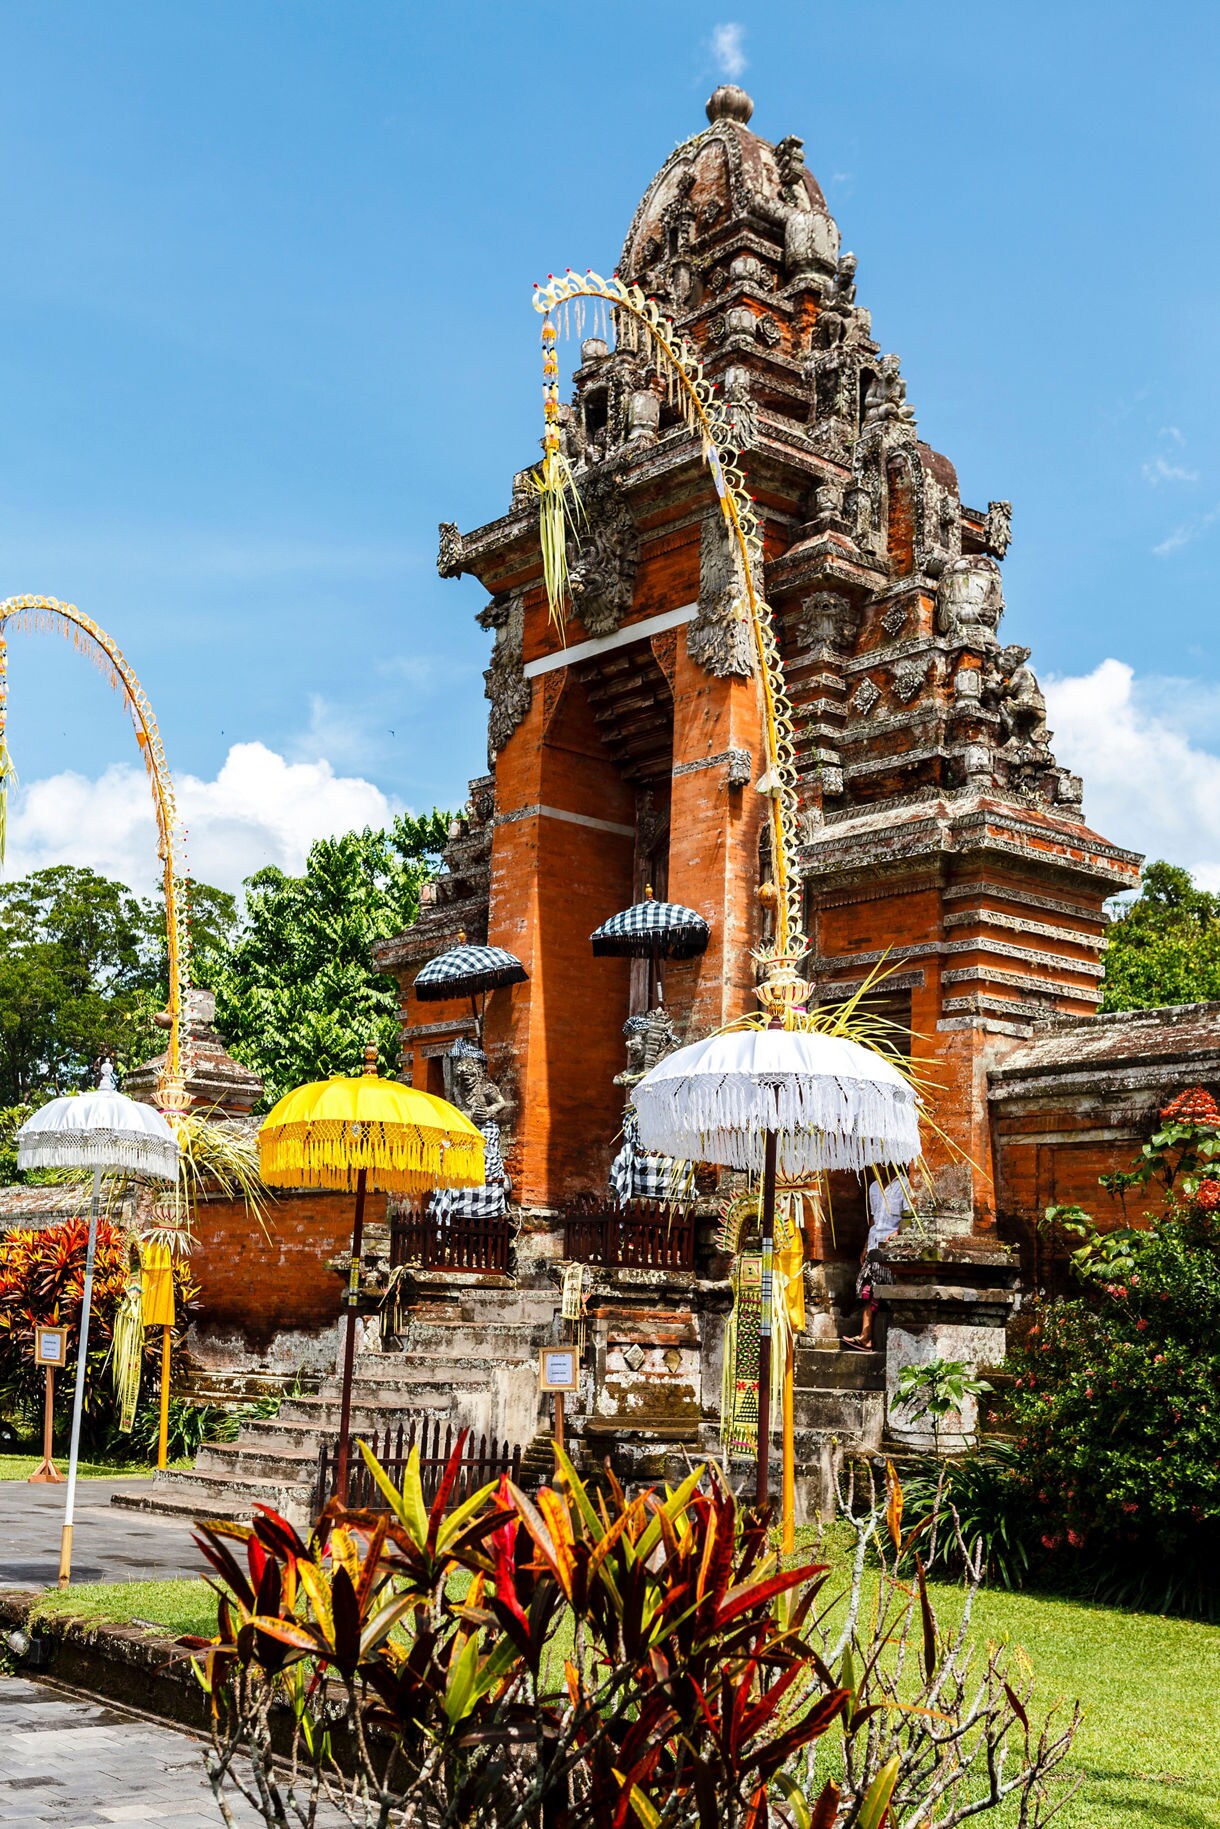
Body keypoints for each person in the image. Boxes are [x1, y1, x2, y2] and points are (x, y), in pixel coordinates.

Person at [842, 1175, 911, 1351]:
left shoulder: (904, 1183)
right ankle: (866, 1336)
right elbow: (874, 1219)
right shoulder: (874, 1186)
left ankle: (870, 1336)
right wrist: (866, 1244)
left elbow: (910, 1215)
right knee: (866, 1287)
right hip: (874, 1244)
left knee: (879, 1288)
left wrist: (897, 1234)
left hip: (891, 1247)